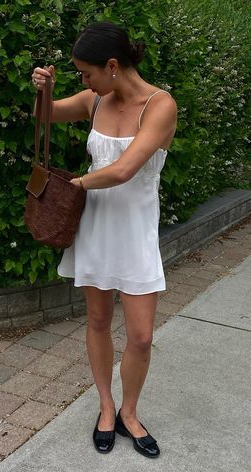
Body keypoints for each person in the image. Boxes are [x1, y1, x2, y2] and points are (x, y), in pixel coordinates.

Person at [31, 21, 177, 458]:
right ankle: (107, 408)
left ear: (112, 66)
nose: (84, 81)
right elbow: (45, 117)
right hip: (95, 227)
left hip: (134, 233)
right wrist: (44, 90)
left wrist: (70, 188)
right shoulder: (95, 99)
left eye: (85, 72)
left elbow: (124, 170)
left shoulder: (160, 105)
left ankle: (131, 412)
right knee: (96, 321)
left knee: (141, 336)